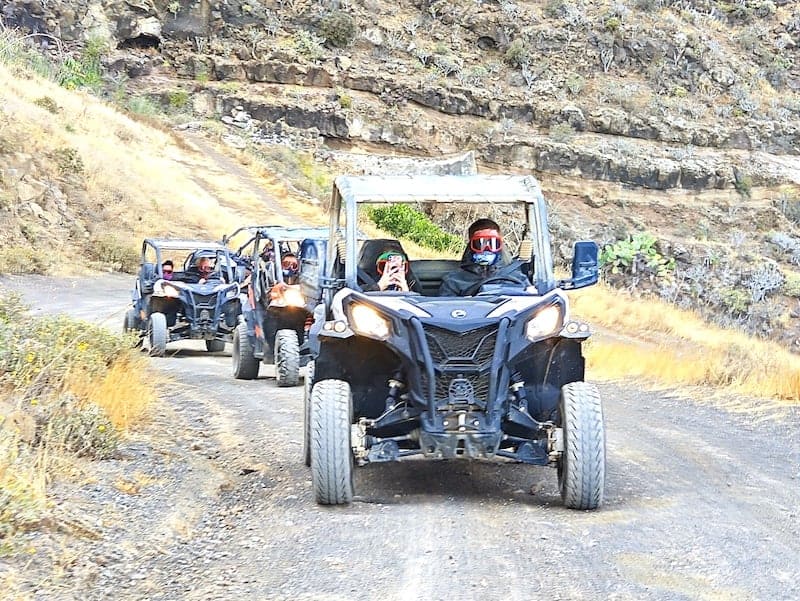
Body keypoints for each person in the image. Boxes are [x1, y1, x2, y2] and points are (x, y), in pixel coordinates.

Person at [438, 218, 528, 296]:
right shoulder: (454, 281)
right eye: (480, 243)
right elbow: (445, 310)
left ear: (500, 244)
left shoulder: (517, 277)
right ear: (471, 246)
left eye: (492, 243)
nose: (486, 248)